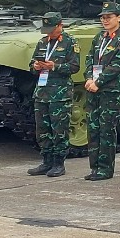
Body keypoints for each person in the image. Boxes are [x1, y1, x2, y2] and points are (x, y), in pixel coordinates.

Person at [27, 12, 78, 178]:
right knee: (42, 129)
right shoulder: (42, 42)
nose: (48, 32)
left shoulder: (70, 42)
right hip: (41, 93)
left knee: (59, 129)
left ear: (60, 26)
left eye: (51, 28)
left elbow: (74, 67)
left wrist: (54, 66)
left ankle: (58, 163)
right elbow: (31, 63)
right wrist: (35, 66)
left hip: (60, 94)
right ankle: (46, 161)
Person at [82, 2, 120, 181]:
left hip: (109, 91)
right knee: (93, 129)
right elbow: (89, 58)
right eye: (103, 17)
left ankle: (105, 169)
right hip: (93, 88)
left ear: (119, 17)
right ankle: (94, 167)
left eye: (109, 17)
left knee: (106, 130)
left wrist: (98, 82)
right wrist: (88, 78)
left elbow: (116, 66)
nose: (105, 20)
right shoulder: (99, 38)